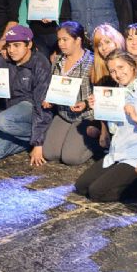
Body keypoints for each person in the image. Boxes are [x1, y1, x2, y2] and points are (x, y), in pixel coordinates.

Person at [76, 50, 137, 202]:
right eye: (113, 71)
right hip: (119, 151)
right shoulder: (117, 92)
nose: (118, 74)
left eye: (121, 67)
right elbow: (115, 128)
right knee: (81, 186)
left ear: (132, 66)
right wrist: (100, 109)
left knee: (96, 192)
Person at [0, 25, 52, 165]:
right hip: (10, 112)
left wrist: (38, 143)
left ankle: (41, 137)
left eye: (16, 45)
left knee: (2, 120)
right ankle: (30, 141)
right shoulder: (2, 60)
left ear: (29, 44)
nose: (11, 50)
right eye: (9, 45)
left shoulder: (40, 63)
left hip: (31, 107)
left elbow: (41, 105)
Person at [42, 22, 97, 165]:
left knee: (70, 158)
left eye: (65, 39)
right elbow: (53, 86)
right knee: (49, 153)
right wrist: (50, 99)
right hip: (64, 114)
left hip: (85, 117)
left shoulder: (91, 62)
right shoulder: (58, 60)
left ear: (78, 40)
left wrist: (85, 104)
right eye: (59, 39)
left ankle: (99, 144)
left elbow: (98, 94)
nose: (61, 43)